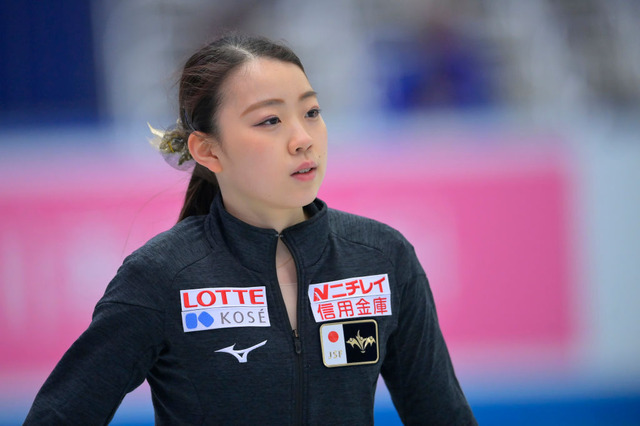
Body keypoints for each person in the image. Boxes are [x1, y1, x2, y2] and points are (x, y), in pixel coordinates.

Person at [24, 33, 477, 425]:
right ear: (208, 151)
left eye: (312, 112)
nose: (302, 138)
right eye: (270, 120)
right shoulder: (162, 276)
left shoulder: (382, 257)